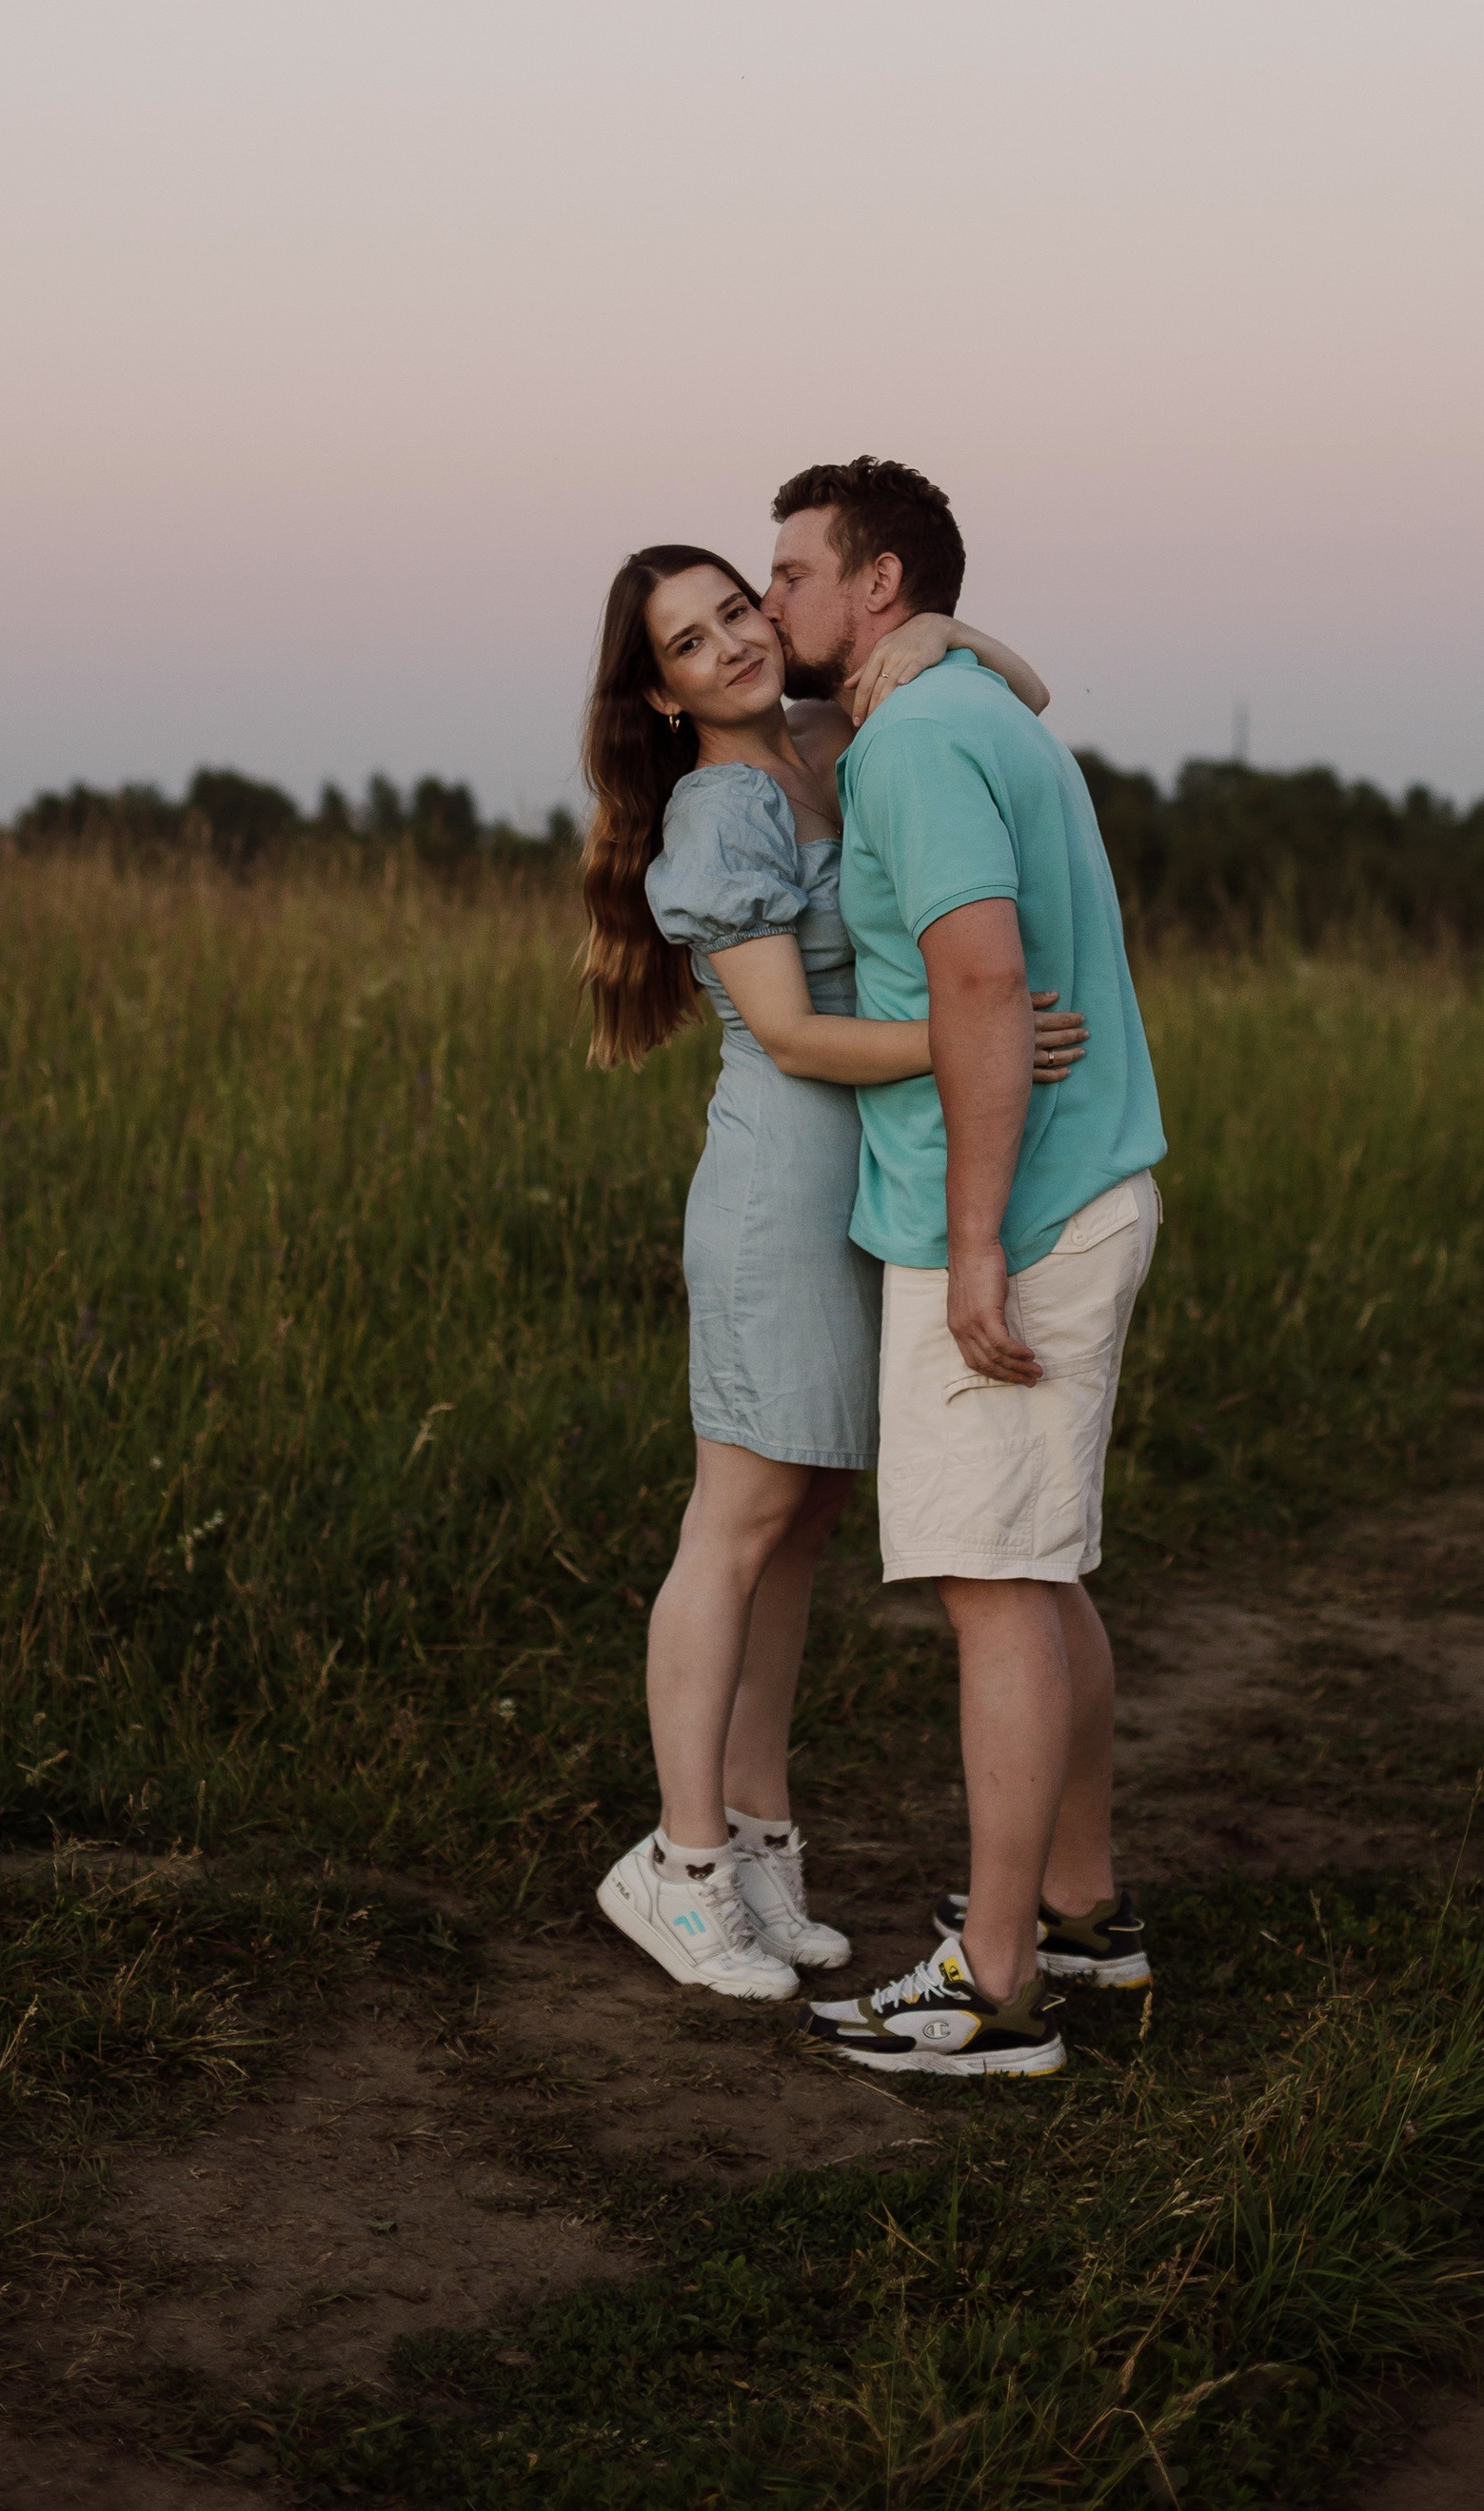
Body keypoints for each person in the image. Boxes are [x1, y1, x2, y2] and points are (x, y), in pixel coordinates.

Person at [579, 544, 1086, 2004]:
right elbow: (795, 1039)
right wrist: (969, 1042)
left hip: (849, 1184)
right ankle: (677, 1873)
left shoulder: (825, 734)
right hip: (770, 1190)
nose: (733, 644)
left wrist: (931, 627)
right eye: (690, 643)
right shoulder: (719, 808)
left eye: (738, 609)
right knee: (734, 1520)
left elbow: (1030, 690)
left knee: (802, 1517)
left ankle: (758, 1842)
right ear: (663, 694)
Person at [762, 458, 1166, 2085]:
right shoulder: (962, 711)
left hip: (1015, 1214)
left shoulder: (921, 740)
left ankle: (995, 1986)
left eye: (792, 569)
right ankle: (1076, 1910)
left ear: (875, 587)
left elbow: (982, 982)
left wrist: (979, 1244)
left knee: (994, 1584)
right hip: (1080, 1185)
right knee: (1041, 1565)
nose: (769, 593)